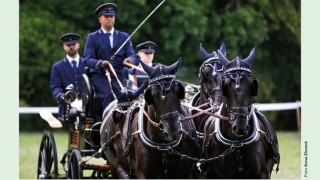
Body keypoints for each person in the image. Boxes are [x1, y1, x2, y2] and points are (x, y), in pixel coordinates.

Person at [83, 3, 138, 110]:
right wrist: (100, 63)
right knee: (109, 95)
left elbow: (132, 55)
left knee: (126, 96)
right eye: (106, 17)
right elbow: (87, 59)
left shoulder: (124, 36)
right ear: (100, 19)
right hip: (101, 76)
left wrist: (130, 60)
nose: (109, 19)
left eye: (111, 16)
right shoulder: (92, 37)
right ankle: (109, 124)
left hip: (120, 75)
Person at [50, 33, 85, 116]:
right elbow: (56, 87)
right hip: (67, 108)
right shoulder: (57, 67)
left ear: (78, 45)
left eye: (73, 44)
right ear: (64, 47)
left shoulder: (87, 64)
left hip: (86, 107)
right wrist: (61, 96)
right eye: (68, 45)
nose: (71, 47)